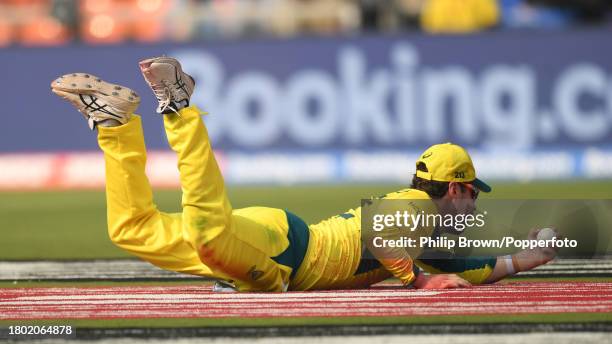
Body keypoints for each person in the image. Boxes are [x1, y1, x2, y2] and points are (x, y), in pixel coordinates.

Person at [51, 56, 557, 292]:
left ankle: (115, 126)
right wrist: (418, 282)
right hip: (286, 255)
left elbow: (470, 268)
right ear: (456, 188)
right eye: (473, 193)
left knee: (131, 230)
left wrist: (529, 257)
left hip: (274, 248)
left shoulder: (426, 223)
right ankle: (180, 106)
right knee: (207, 231)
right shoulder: (417, 208)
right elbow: (382, 236)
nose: (474, 204)